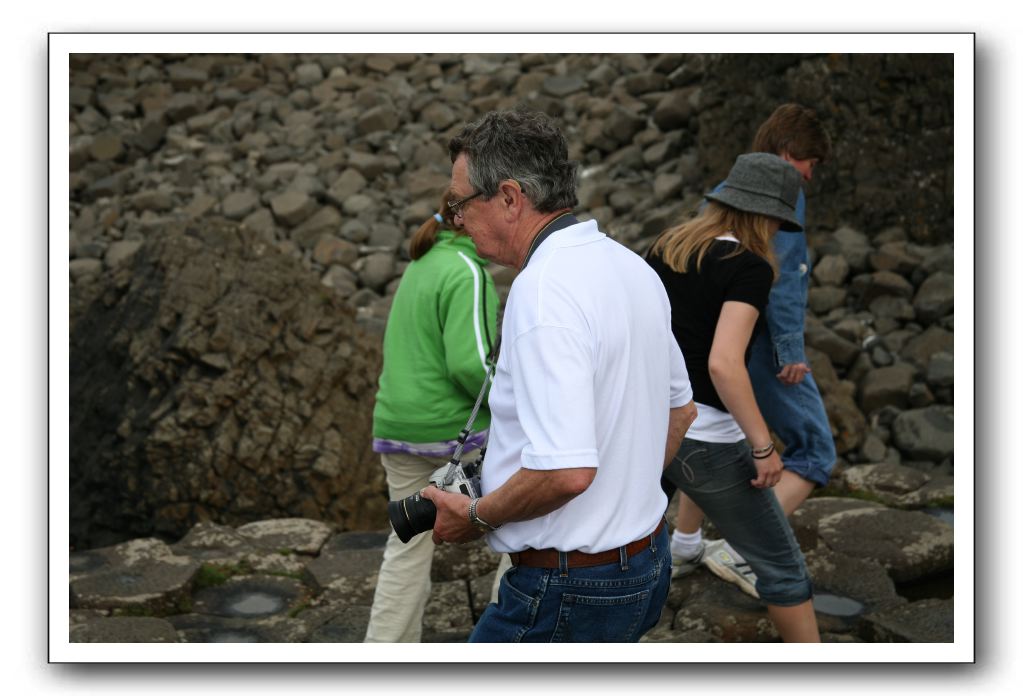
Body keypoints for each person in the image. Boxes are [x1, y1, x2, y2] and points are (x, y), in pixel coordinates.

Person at [422, 109, 697, 643]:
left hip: (568, 586)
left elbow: (566, 473)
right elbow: (680, 410)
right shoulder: (629, 266)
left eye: (460, 203)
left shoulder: (543, 290)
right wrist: (620, 496)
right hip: (644, 560)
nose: (455, 220)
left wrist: (475, 516)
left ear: (508, 197)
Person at [647, 152, 820, 642]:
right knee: (785, 571)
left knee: (630, 548)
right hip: (707, 438)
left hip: (649, 424)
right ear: (767, 216)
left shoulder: (668, 245)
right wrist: (763, 446)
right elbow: (724, 362)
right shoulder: (749, 266)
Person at [665, 104, 835, 598]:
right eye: (810, 163)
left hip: (702, 357)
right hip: (752, 347)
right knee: (816, 450)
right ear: (787, 156)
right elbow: (777, 282)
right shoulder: (780, 197)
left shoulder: (722, 196)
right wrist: (788, 352)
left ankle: (686, 543)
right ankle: (743, 550)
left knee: (720, 430)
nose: (808, 175)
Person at [364, 191, 499, 643]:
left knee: (405, 547)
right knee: (524, 526)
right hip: (453, 437)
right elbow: (472, 365)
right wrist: (519, 409)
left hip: (396, 428)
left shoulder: (421, 265)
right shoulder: (467, 272)